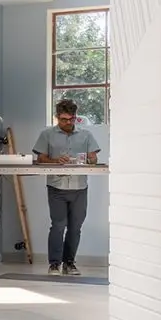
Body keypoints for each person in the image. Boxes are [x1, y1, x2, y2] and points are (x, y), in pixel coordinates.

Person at [32, 99, 101, 275]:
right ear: (57, 117)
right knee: (58, 225)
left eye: (71, 119)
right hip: (57, 187)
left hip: (79, 187)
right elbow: (40, 158)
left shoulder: (86, 135)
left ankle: (69, 263)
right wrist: (56, 160)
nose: (68, 123)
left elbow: (94, 158)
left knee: (75, 227)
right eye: (64, 119)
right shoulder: (47, 135)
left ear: (75, 117)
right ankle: (54, 264)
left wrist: (92, 159)